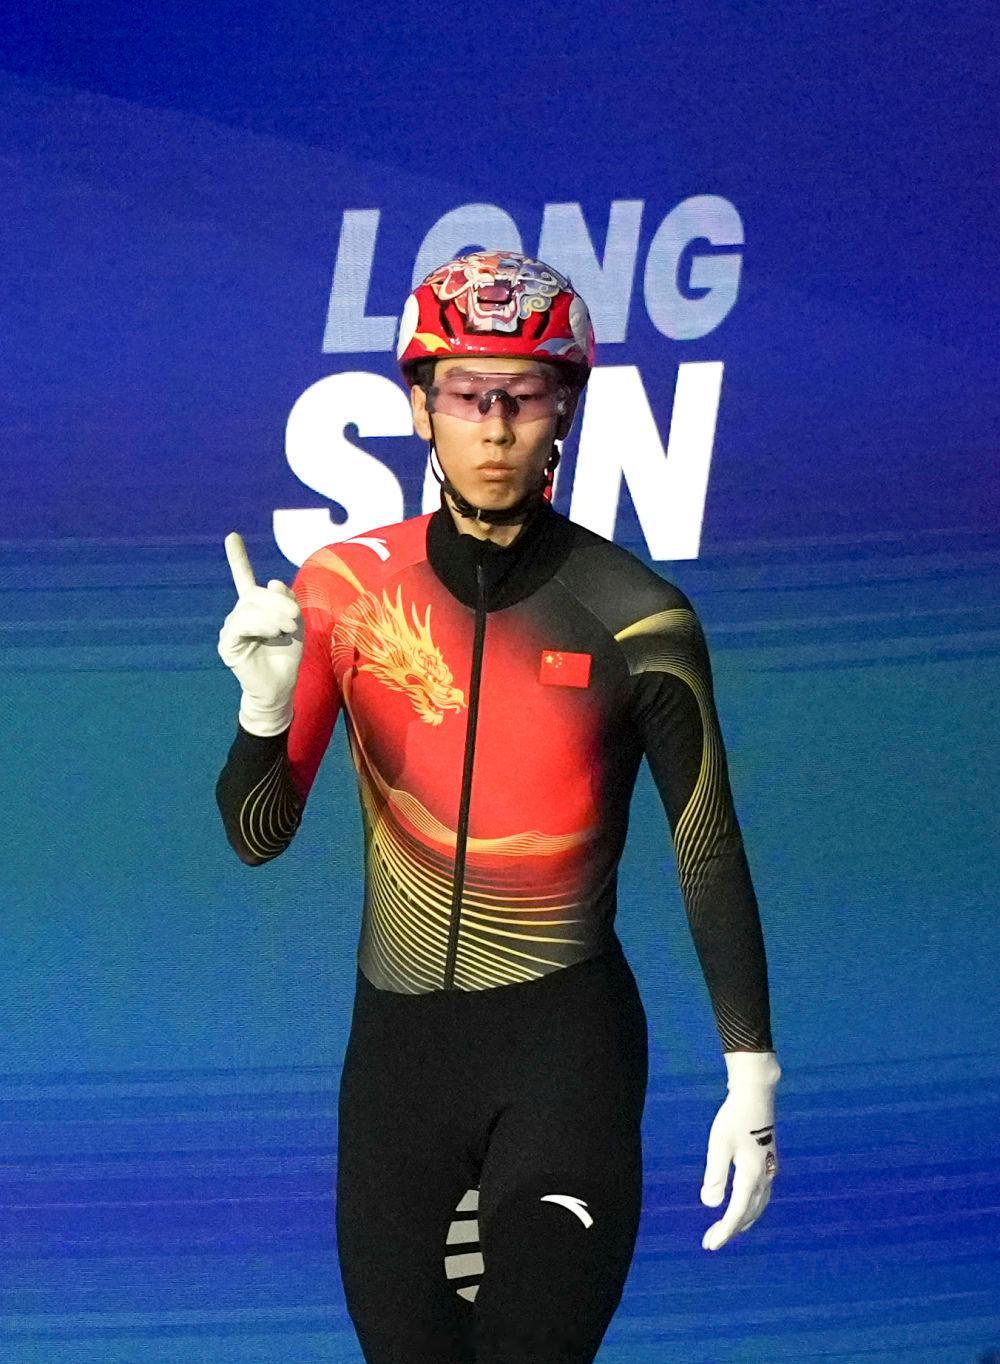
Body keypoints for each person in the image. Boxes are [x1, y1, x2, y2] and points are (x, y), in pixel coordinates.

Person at [216, 250, 781, 1363]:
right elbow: (256, 834)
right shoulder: (340, 591)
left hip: (564, 1049)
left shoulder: (639, 617)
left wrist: (750, 1071)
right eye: (468, 393)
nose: (495, 426)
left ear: (565, 406)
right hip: (397, 1064)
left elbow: (707, 848)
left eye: (523, 394)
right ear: (419, 407)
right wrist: (264, 709)